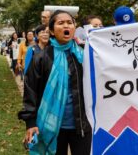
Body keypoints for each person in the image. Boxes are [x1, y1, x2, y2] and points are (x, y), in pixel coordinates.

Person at [18, 10, 92, 155]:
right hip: (51, 127)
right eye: (61, 23)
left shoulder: (84, 55)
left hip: (82, 125)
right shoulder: (41, 58)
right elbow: (30, 90)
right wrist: (31, 123)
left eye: (70, 23)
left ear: (74, 28)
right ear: (51, 30)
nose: (66, 25)